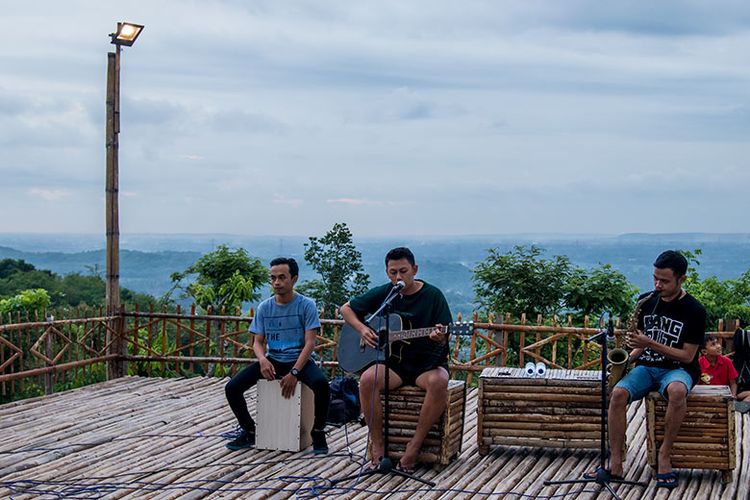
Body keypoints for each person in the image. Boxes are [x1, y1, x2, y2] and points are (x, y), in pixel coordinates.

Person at [589, 250, 705, 490]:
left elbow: (688, 355)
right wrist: (627, 359)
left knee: (676, 392)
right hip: (647, 365)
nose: (657, 285)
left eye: (664, 280)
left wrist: (650, 343)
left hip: (678, 368)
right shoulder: (646, 301)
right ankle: (616, 462)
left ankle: (664, 455)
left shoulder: (694, 310)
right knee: (618, 395)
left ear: (682, 279)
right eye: (655, 278)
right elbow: (639, 344)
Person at [339, 247, 452, 473]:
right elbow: (346, 308)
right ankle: (378, 445)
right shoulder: (386, 294)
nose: (398, 277)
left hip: (426, 364)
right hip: (394, 364)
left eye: (403, 271)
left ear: (414, 269)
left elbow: (445, 334)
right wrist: (362, 329)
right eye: (393, 273)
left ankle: (414, 447)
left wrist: (439, 337)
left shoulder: (433, 296)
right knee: (368, 380)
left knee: (439, 382)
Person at [224, 257, 330, 454]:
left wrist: (295, 372)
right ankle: (249, 430)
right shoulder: (265, 307)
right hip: (273, 359)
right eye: (273, 278)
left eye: (282, 277)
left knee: (322, 384)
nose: (277, 282)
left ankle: (318, 432)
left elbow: (310, 343)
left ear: (294, 279)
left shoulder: (306, 305)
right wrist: (262, 360)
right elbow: (257, 341)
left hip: (300, 360)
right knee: (232, 388)